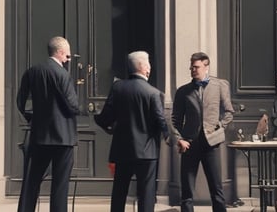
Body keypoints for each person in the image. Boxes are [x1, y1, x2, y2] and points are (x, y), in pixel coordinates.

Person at [94, 51, 171, 212]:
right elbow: (160, 121)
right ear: (144, 68)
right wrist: (167, 136)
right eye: (148, 64)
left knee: (119, 193)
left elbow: (106, 117)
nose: (150, 67)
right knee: (146, 194)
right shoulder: (154, 93)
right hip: (147, 153)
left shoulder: (118, 88)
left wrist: (105, 126)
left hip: (122, 150)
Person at [16, 36, 81, 212]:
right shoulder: (62, 74)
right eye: (67, 57)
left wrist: (34, 118)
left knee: (30, 182)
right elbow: (73, 105)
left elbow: (21, 102)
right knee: (60, 186)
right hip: (63, 138)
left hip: (39, 135)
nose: (68, 61)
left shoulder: (32, 72)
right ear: (60, 53)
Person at [171, 52, 234, 212]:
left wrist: (219, 128)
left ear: (206, 67)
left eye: (196, 67)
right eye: (191, 67)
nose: (193, 70)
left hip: (211, 144)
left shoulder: (220, 85)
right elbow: (175, 120)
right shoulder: (183, 91)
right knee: (187, 192)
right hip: (189, 144)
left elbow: (229, 112)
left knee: (216, 190)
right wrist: (179, 139)